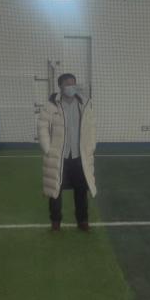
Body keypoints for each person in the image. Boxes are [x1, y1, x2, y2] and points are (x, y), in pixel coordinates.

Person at [38, 74, 97, 231]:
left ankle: (82, 220)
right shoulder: (51, 106)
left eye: (73, 83)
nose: (71, 87)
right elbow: (42, 127)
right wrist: (48, 149)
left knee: (81, 190)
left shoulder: (84, 104)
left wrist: (91, 146)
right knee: (55, 190)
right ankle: (55, 221)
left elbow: (91, 128)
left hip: (79, 156)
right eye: (68, 84)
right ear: (60, 87)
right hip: (59, 157)